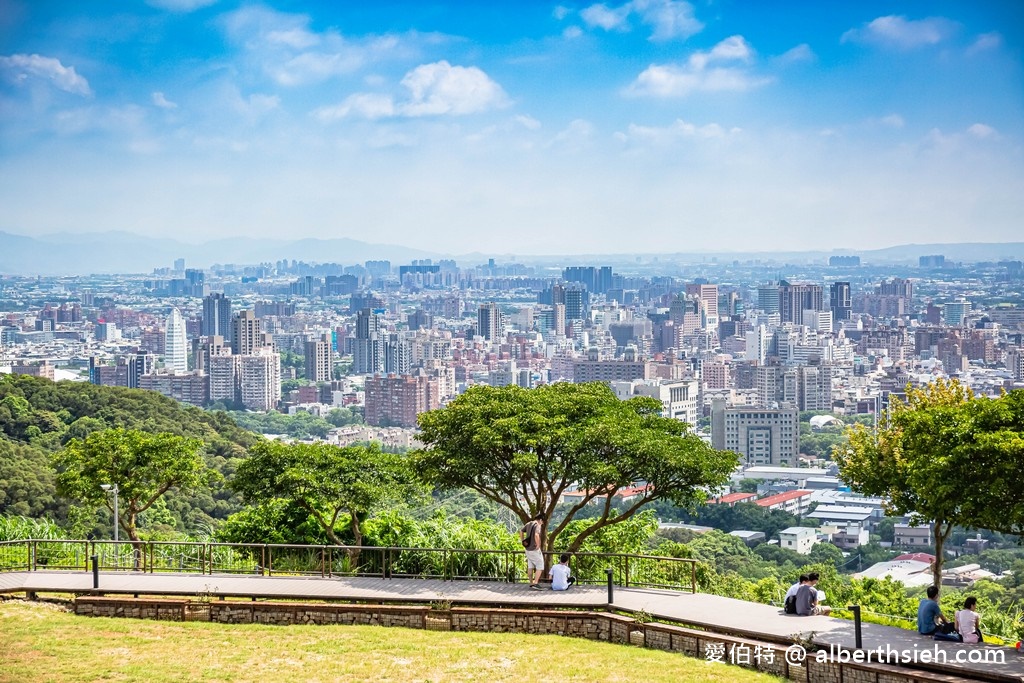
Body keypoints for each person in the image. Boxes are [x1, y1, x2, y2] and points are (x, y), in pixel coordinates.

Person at [519, 513, 545, 590]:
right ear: (540, 520)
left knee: (530, 566)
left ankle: (531, 583)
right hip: (534, 549)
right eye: (542, 521)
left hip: (527, 549)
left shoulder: (528, 524)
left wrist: (522, 541)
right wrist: (538, 545)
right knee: (540, 565)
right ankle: (536, 583)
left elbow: (521, 531)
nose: (542, 523)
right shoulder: (537, 525)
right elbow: (536, 535)